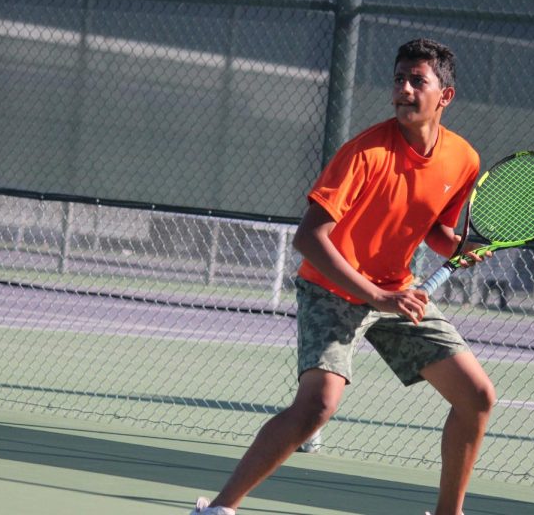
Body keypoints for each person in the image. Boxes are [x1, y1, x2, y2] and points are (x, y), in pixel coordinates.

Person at [190, 38, 496, 515]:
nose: (404, 90)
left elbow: (438, 229)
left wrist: (460, 248)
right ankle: (220, 509)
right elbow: (309, 238)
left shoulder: (463, 159)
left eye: (418, 81)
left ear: (445, 97)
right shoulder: (365, 153)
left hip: (396, 291)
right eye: (399, 80)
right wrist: (375, 295)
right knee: (316, 408)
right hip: (333, 289)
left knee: (477, 396)